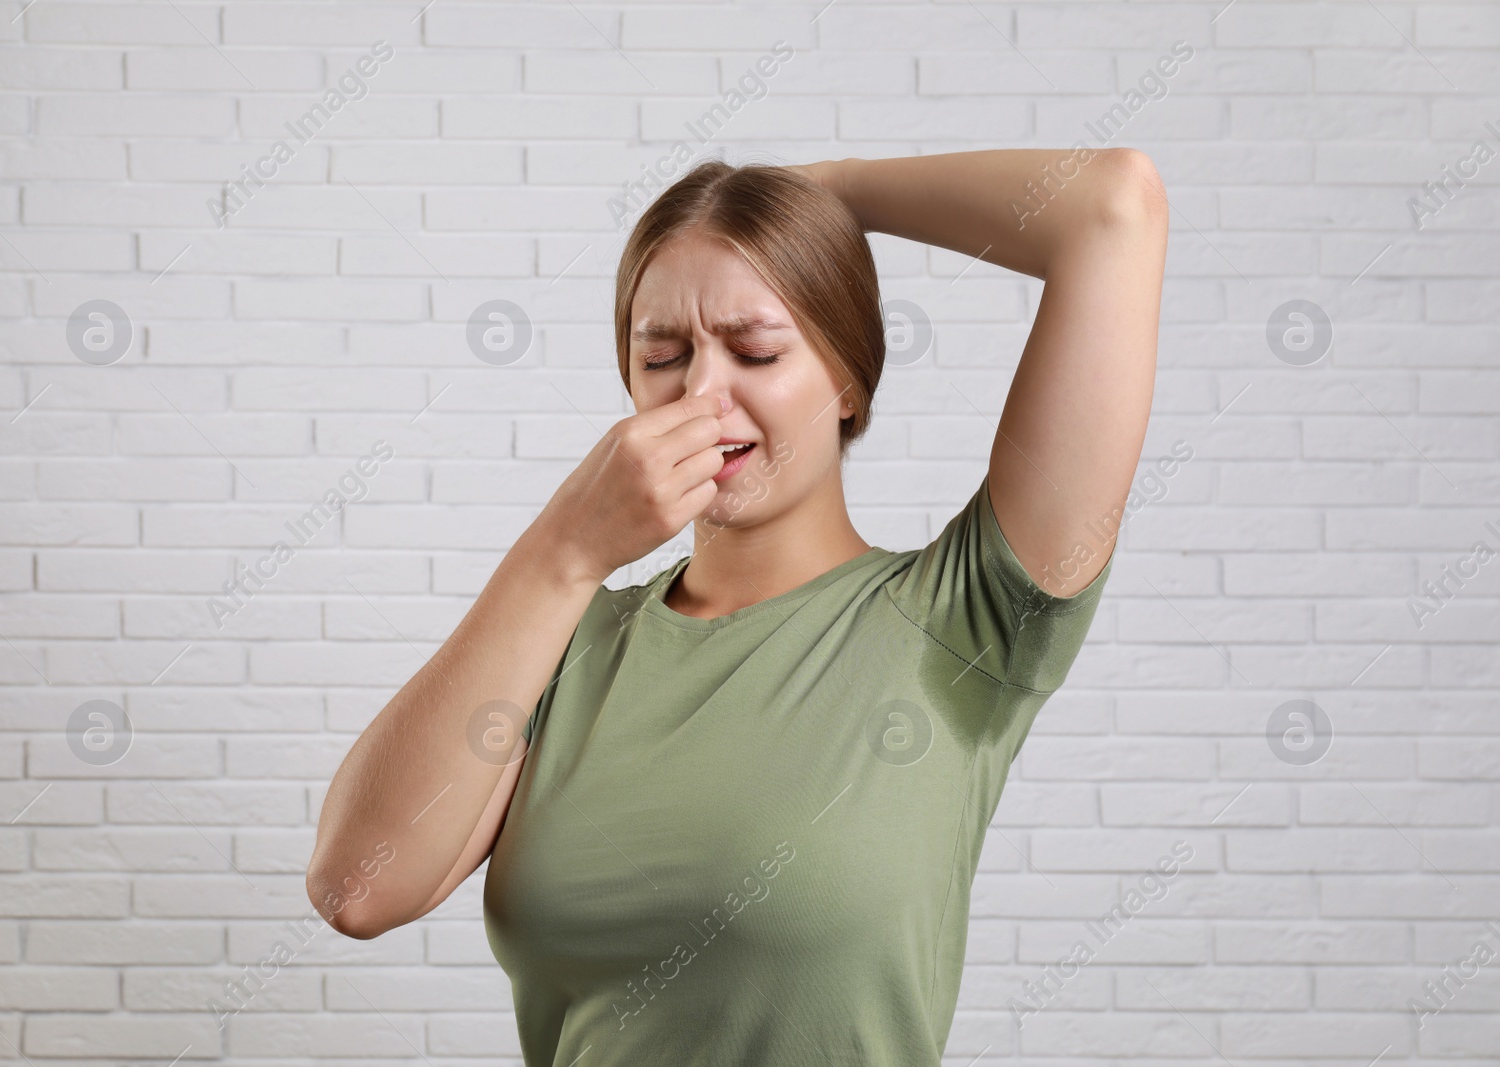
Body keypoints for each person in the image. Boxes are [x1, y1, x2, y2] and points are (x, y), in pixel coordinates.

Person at [307, 147, 1168, 1065]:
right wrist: (565, 552)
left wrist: (826, 195)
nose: (701, 393)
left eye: (755, 349)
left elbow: (1115, 206)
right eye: (662, 355)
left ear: (847, 376)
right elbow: (359, 889)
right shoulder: (570, 645)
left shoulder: (965, 617)